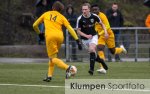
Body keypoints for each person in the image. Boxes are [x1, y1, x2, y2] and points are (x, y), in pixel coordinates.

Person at [33, 1, 82, 82]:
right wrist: (77, 39)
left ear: (53, 7)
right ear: (61, 10)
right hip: (60, 37)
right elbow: (70, 28)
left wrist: (39, 34)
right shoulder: (62, 17)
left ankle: (69, 68)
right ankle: (49, 76)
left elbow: (34, 25)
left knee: (52, 58)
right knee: (53, 57)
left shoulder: (46, 14)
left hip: (50, 37)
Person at [91, 4, 127, 73]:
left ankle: (121, 49)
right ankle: (102, 68)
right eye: (93, 10)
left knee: (113, 51)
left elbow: (107, 26)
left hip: (109, 34)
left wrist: (100, 33)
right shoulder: (92, 17)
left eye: (96, 9)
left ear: (99, 10)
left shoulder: (102, 16)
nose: (95, 11)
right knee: (100, 48)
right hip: (101, 36)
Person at [76, 3, 108, 75]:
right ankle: (101, 61)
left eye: (86, 9)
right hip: (84, 39)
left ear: (89, 9)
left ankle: (91, 69)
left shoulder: (94, 16)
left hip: (94, 36)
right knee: (93, 52)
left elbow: (102, 24)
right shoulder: (80, 19)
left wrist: (105, 32)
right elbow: (78, 31)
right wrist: (86, 36)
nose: (84, 11)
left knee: (92, 49)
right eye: (83, 9)